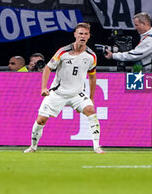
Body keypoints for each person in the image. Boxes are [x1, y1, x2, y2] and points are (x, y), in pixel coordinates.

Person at [23, 22, 105, 154]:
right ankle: (33, 146)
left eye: (85, 34)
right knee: (41, 119)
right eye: (80, 34)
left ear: (89, 36)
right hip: (58, 93)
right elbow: (48, 68)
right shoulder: (63, 52)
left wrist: (91, 98)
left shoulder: (91, 56)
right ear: (75, 35)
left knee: (91, 110)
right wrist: (44, 88)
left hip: (77, 94)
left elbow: (92, 76)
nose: (82, 36)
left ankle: (97, 147)